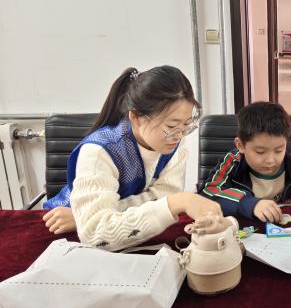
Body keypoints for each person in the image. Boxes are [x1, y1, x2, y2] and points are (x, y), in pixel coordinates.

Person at [43, 65, 225, 250]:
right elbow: (95, 235)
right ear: (136, 118)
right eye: (171, 126)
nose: (179, 135)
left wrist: (94, 215)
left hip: (109, 226)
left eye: (186, 125)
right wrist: (176, 202)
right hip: (62, 228)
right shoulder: (100, 152)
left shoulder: (175, 142)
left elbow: (165, 195)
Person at [198, 102, 291, 223]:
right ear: (241, 145)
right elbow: (207, 192)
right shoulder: (233, 161)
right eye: (260, 152)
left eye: (279, 150)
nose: (270, 160)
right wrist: (249, 203)